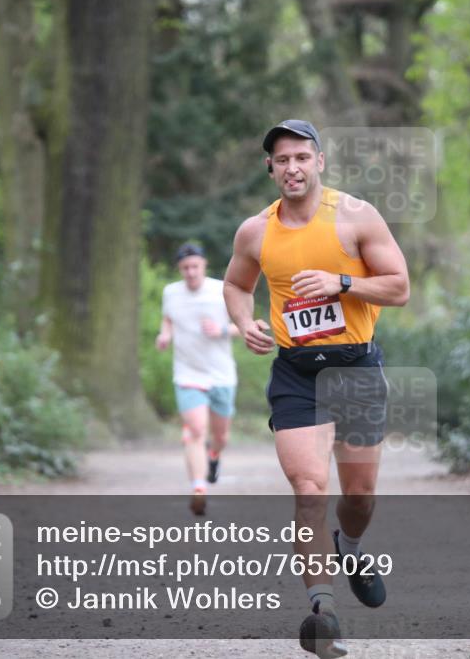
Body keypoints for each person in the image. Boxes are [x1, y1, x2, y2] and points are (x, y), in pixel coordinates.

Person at [224, 120, 409, 658]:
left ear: (320, 162)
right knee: (309, 490)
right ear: (270, 168)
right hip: (296, 373)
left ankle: (349, 547)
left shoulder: (355, 216)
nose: (292, 168)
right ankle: (323, 611)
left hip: (355, 368)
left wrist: (342, 282)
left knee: (358, 496)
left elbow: (399, 286)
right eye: (282, 160)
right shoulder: (255, 231)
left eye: (302, 157)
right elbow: (236, 284)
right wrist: (244, 321)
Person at [156, 243, 239, 516]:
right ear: (179, 269)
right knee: (195, 430)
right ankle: (199, 488)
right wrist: (165, 334)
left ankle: (214, 456)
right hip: (188, 373)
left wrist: (221, 330)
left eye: (195, 266)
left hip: (221, 373)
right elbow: (168, 319)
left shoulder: (222, 290)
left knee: (220, 435)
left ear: (204, 265)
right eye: (185, 268)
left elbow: (244, 324)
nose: (191, 272)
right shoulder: (171, 292)